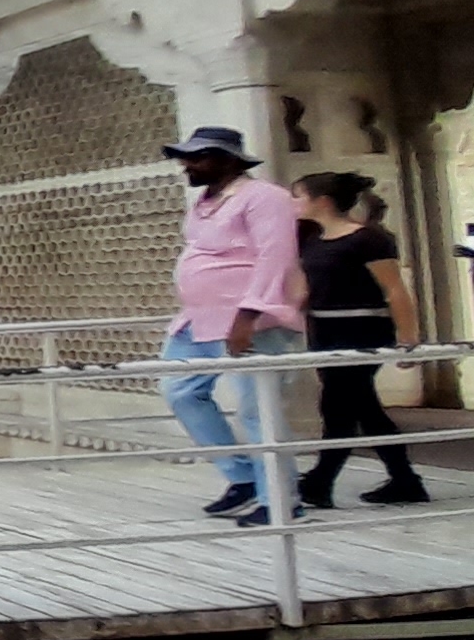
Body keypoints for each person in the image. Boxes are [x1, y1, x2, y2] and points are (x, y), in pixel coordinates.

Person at [159, 127, 305, 528]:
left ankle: (281, 499)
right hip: (197, 320)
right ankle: (242, 477)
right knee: (180, 391)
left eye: (196, 157)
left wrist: (247, 316)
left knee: (259, 409)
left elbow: (275, 256)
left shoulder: (265, 198)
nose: (186, 165)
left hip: (249, 321)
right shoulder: (204, 202)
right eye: (185, 157)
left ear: (228, 160)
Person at [292, 172, 427, 506]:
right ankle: (404, 479)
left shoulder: (368, 239)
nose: (293, 204)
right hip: (324, 330)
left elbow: (394, 288)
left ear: (321, 201)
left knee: (338, 406)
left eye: (299, 197)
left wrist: (407, 338)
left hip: (362, 328)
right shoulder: (311, 238)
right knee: (363, 408)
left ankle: (320, 481)